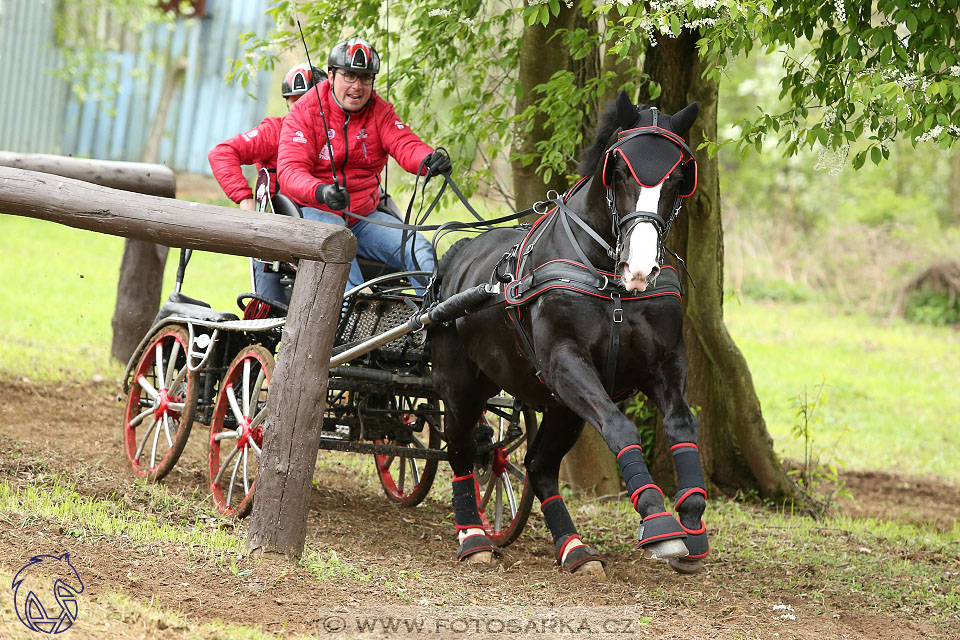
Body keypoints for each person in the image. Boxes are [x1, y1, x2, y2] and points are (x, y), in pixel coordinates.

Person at [277, 37, 451, 294]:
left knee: (420, 249)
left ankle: (433, 325)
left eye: (365, 78)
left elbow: (405, 144)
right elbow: (290, 171)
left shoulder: (380, 111)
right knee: (339, 243)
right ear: (332, 75)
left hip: (363, 215)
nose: (357, 87)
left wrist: (428, 160)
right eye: (349, 76)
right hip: (311, 210)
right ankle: (352, 319)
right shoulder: (306, 110)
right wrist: (321, 191)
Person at [208, 63, 325, 303]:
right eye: (293, 100)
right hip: (277, 234)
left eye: (306, 99)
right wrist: (244, 197)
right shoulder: (274, 131)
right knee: (269, 307)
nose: (299, 106)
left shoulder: (340, 136)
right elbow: (222, 153)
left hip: (324, 228)